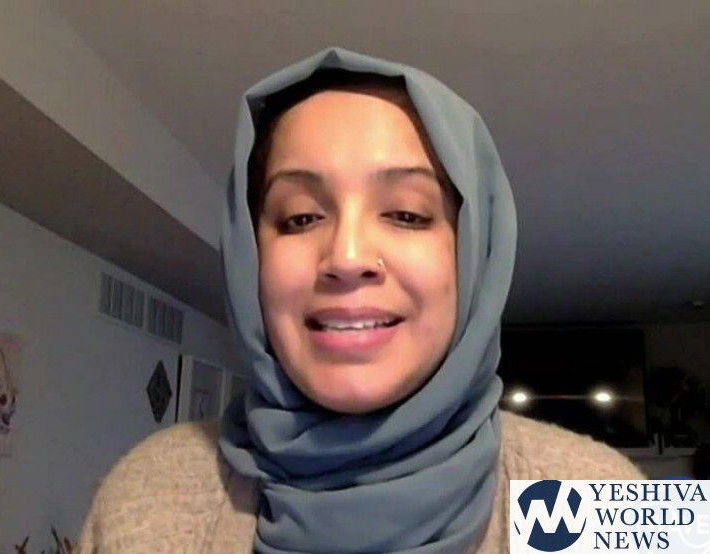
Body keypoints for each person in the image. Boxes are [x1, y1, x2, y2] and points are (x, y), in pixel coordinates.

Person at [77, 47, 644, 554]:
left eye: (406, 214)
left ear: (474, 255)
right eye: (300, 217)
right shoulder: (149, 495)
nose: (347, 257)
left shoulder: (601, 493)